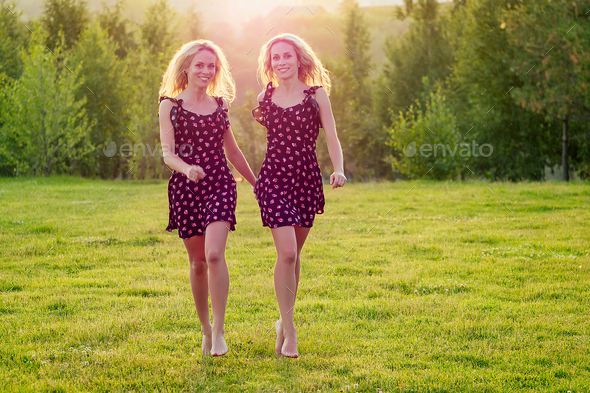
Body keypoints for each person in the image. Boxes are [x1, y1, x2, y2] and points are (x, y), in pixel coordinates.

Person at [159, 40, 257, 356]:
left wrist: (256, 183)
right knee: (198, 262)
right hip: (185, 189)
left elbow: (232, 151)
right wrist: (187, 169)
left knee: (214, 255)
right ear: (186, 67)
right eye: (199, 64)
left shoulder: (220, 105)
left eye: (211, 66)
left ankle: (218, 331)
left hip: (219, 184)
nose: (205, 70)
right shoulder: (169, 106)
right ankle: (204, 329)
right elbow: (167, 155)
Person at [252, 33, 347, 358]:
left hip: (306, 181)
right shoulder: (266, 97)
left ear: (298, 59)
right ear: (270, 63)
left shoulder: (316, 95)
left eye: (286, 56)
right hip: (274, 180)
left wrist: (339, 168)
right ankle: (290, 330)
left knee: (294, 256)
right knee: (288, 254)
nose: (281, 62)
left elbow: (332, 136)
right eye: (275, 57)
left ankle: (282, 321)